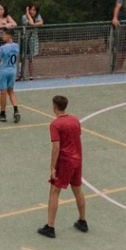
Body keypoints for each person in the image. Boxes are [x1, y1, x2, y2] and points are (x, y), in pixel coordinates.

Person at [39, 95, 88, 238]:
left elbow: (56, 147)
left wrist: (53, 167)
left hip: (65, 161)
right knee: (78, 190)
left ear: (54, 106)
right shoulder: (75, 120)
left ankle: (50, 226)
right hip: (77, 159)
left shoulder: (55, 124)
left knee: (54, 191)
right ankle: (82, 220)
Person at [0, 28, 21, 122]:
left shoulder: (2, 48)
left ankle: (3, 114)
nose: (2, 36)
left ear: (9, 35)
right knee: (11, 91)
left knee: (3, 92)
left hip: (4, 71)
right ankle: (16, 110)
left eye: (4, 34)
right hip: (13, 70)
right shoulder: (16, 46)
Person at [20, 2, 45, 79]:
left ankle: (31, 76)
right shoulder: (24, 17)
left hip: (33, 41)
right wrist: (27, 14)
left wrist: (35, 24)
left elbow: (41, 22)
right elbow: (31, 23)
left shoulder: (38, 16)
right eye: (31, 9)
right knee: (22, 58)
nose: (32, 11)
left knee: (31, 59)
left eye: (34, 10)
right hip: (24, 40)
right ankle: (20, 75)